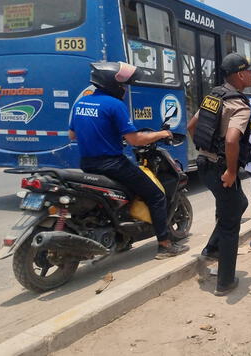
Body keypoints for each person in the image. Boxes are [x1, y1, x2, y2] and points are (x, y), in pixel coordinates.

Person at [69, 61, 189, 260]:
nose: (125, 89)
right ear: (112, 84)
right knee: (156, 195)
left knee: (126, 194)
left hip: (87, 163)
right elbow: (134, 139)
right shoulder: (115, 105)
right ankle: (165, 244)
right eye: (123, 85)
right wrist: (161, 134)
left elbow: (72, 134)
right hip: (113, 165)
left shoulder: (83, 102)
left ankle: (123, 238)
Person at [187, 52, 251, 296]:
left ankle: (212, 250)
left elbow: (191, 126)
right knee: (231, 222)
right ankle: (225, 282)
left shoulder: (214, 96)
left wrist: (205, 151)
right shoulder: (239, 104)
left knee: (238, 203)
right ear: (240, 74)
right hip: (220, 169)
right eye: (250, 71)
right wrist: (229, 170)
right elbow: (231, 140)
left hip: (204, 165)